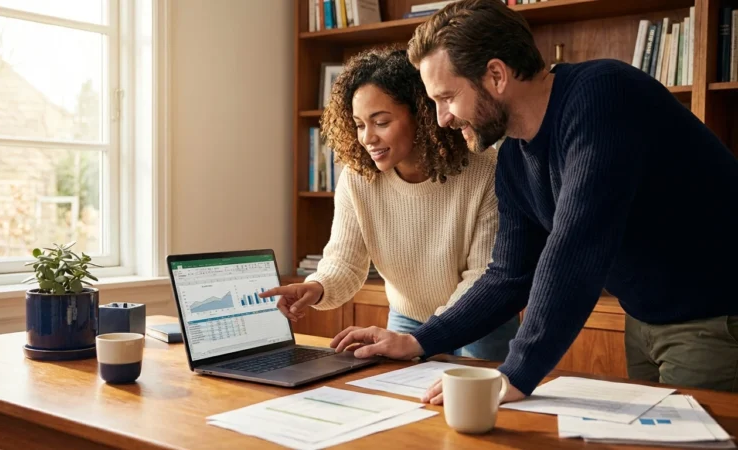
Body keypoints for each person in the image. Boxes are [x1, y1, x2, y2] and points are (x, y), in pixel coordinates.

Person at [330, 0, 738, 405]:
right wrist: (419, 340)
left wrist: (517, 373)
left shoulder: (603, 97)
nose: (441, 120)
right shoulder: (514, 158)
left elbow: (578, 247)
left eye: (447, 97)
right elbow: (508, 275)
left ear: (496, 75)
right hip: (644, 317)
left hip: (714, 316)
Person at [260, 47, 519, 361]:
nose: (367, 138)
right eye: (359, 125)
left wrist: (425, 337)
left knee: (484, 407)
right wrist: (316, 286)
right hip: (407, 317)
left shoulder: (486, 171)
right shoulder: (357, 179)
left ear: (421, 116)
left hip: (480, 319)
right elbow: (344, 261)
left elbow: (482, 276)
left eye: (380, 122)